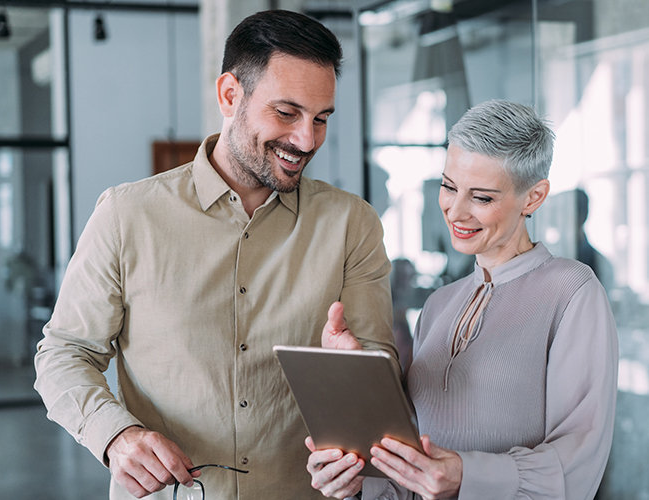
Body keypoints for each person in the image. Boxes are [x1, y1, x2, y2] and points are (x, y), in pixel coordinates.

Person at [34, 10, 396, 500]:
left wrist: (360, 381)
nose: (306, 139)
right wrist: (115, 436)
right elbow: (64, 352)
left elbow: (379, 371)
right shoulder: (127, 215)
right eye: (286, 113)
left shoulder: (352, 225)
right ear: (230, 95)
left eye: (321, 118)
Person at [307, 100, 618, 500]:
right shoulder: (439, 305)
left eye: (482, 198)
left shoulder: (572, 291)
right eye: (449, 186)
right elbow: (408, 472)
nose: (454, 211)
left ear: (534, 197)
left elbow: (577, 466)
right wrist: (353, 475)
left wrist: (466, 475)